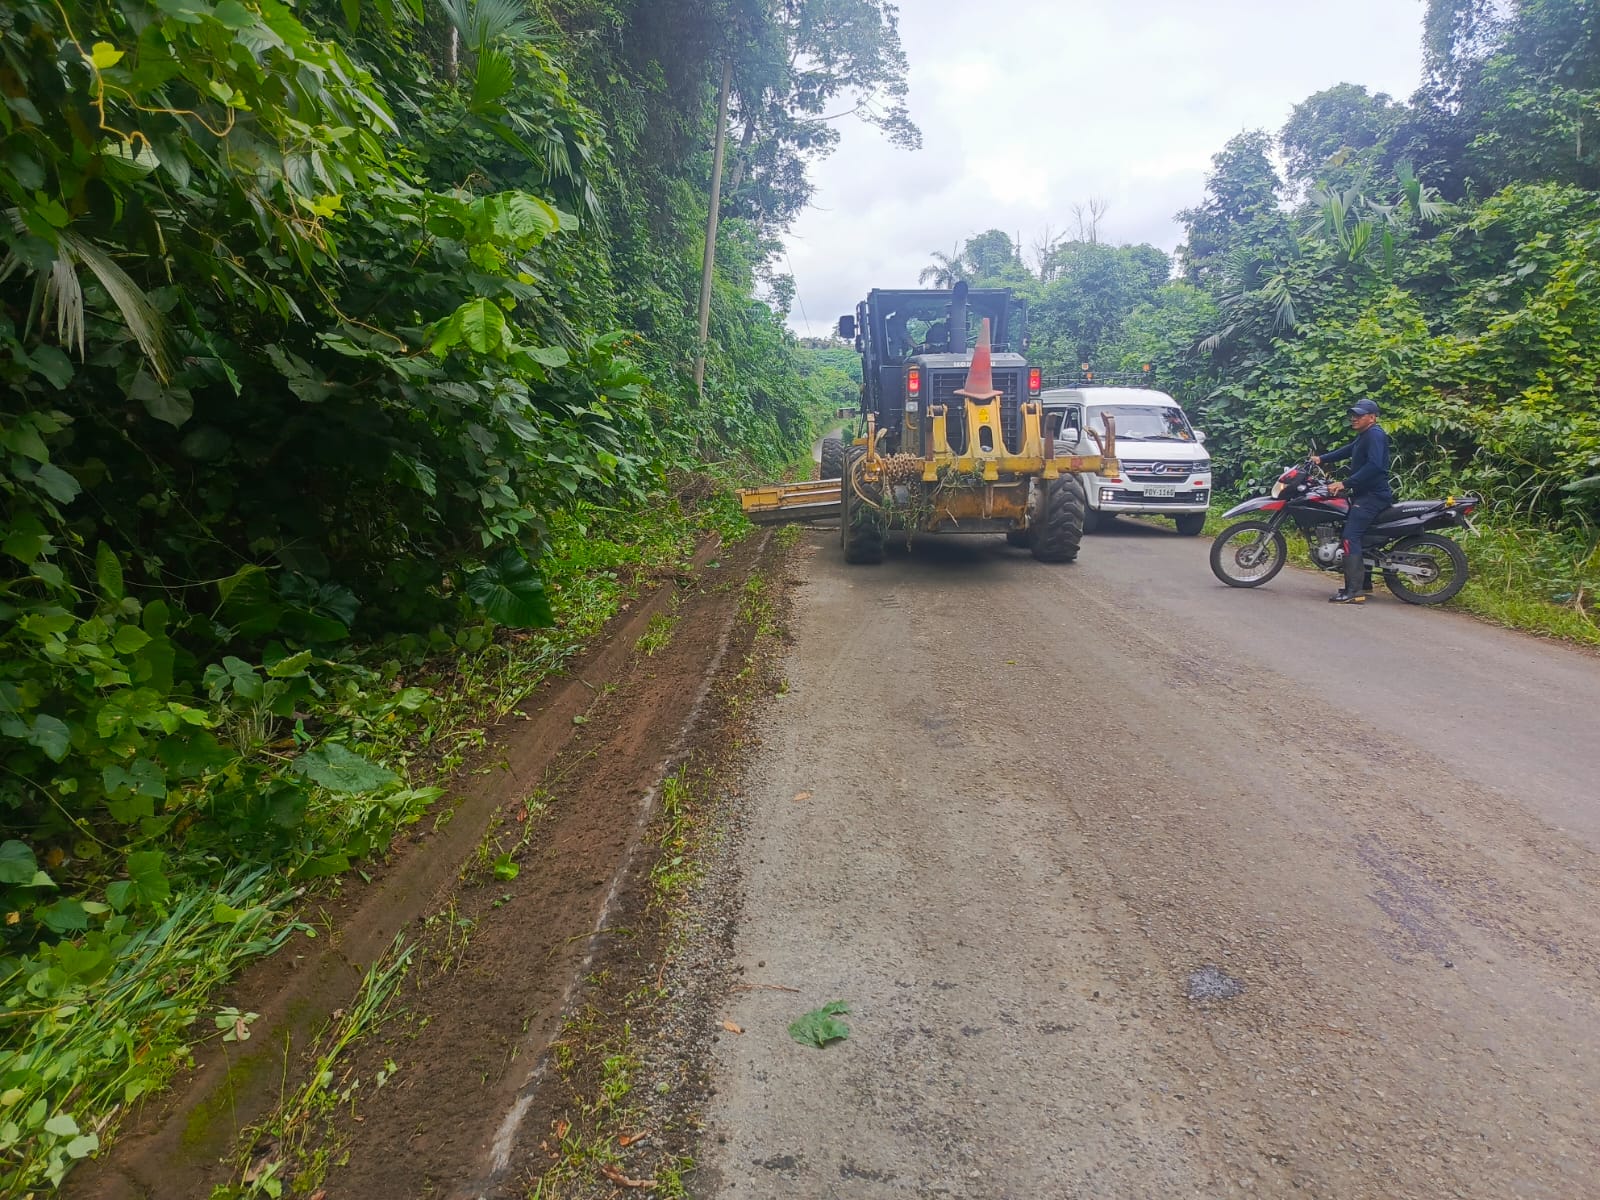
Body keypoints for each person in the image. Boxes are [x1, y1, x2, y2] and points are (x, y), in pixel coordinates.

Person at [1311, 398, 1393, 605]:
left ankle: (1354, 592)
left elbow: (1375, 466)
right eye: (1353, 415)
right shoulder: (1365, 435)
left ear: (1372, 417)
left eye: (1359, 415)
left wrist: (1345, 483)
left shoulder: (1375, 435)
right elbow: (1348, 450)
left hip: (1372, 496)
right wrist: (1322, 459)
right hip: (1364, 494)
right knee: (1360, 537)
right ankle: (1364, 583)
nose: (1354, 418)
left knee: (1350, 537)